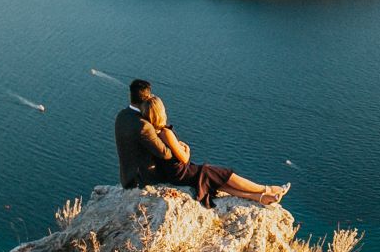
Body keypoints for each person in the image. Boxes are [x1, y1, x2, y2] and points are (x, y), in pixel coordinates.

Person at [113, 79, 287, 207]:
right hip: (148, 177)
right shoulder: (145, 125)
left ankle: (262, 197)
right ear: (148, 98)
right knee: (220, 174)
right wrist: (184, 148)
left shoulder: (122, 116)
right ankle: (267, 188)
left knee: (214, 179)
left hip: (128, 175)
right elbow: (167, 154)